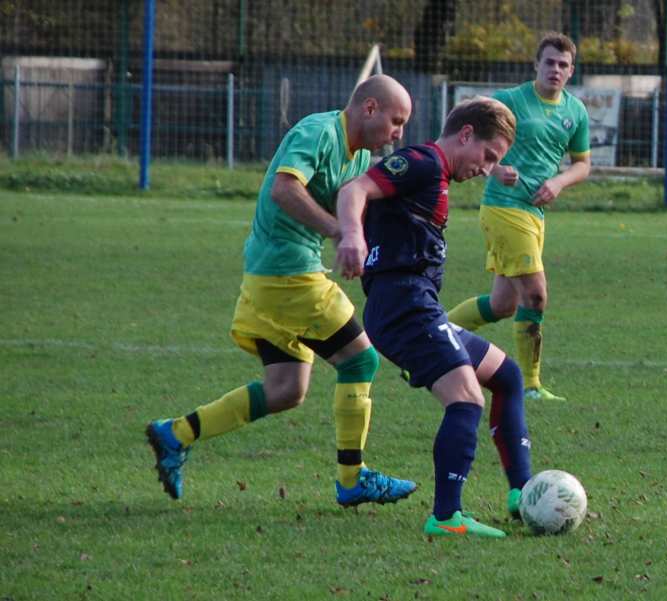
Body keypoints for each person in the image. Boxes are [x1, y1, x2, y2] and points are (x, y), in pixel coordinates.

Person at [146, 74, 417, 508]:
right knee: (360, 360)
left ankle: (175, 433)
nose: (400, 132)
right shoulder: (319, 132)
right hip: (287, 274)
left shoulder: (358, 153)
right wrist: (336, 231)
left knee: (286, 389)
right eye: (397, 120)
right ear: (370, 109)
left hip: (272, 277)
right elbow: (284, 188)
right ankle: (352, 479)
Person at [336, 97, 532, 538]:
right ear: (465, 135)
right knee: (466, 400)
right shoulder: (422, 162)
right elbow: (354, 189)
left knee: (507, 375)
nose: (485, 168)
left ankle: (524, 493)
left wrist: (498, 168)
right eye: (486, 156)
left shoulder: (435, 171)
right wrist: (351, 234)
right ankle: (446, 517)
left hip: (415, 303)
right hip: (403, 305)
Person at [447, 32, 591, 402]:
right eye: (549, 62)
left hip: (534, 213)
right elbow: (463, 130)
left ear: (571, 71)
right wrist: (494, 168)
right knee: (536, 294)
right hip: (503, 208)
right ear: (536, 65)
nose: (555, 70)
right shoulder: (509, 101)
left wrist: (558, 183)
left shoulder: (575, 112)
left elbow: (582, 165)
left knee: (503, 305)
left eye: (563, 65)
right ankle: (530, 385)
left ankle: (434, 336)